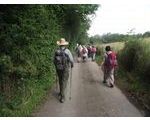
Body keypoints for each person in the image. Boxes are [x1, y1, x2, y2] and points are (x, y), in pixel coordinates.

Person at [53, 38, 74, 103]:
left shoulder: (56, 51)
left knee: (60, 79)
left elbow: (53, 60)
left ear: (59, 44)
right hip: (65, 68)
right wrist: (72, 64)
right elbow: (71, 59)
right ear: (65, 45)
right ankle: (62, 96)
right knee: (64, 81)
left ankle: (60, 92)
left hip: (58, 68)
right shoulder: (67, 51)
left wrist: (56, 66)